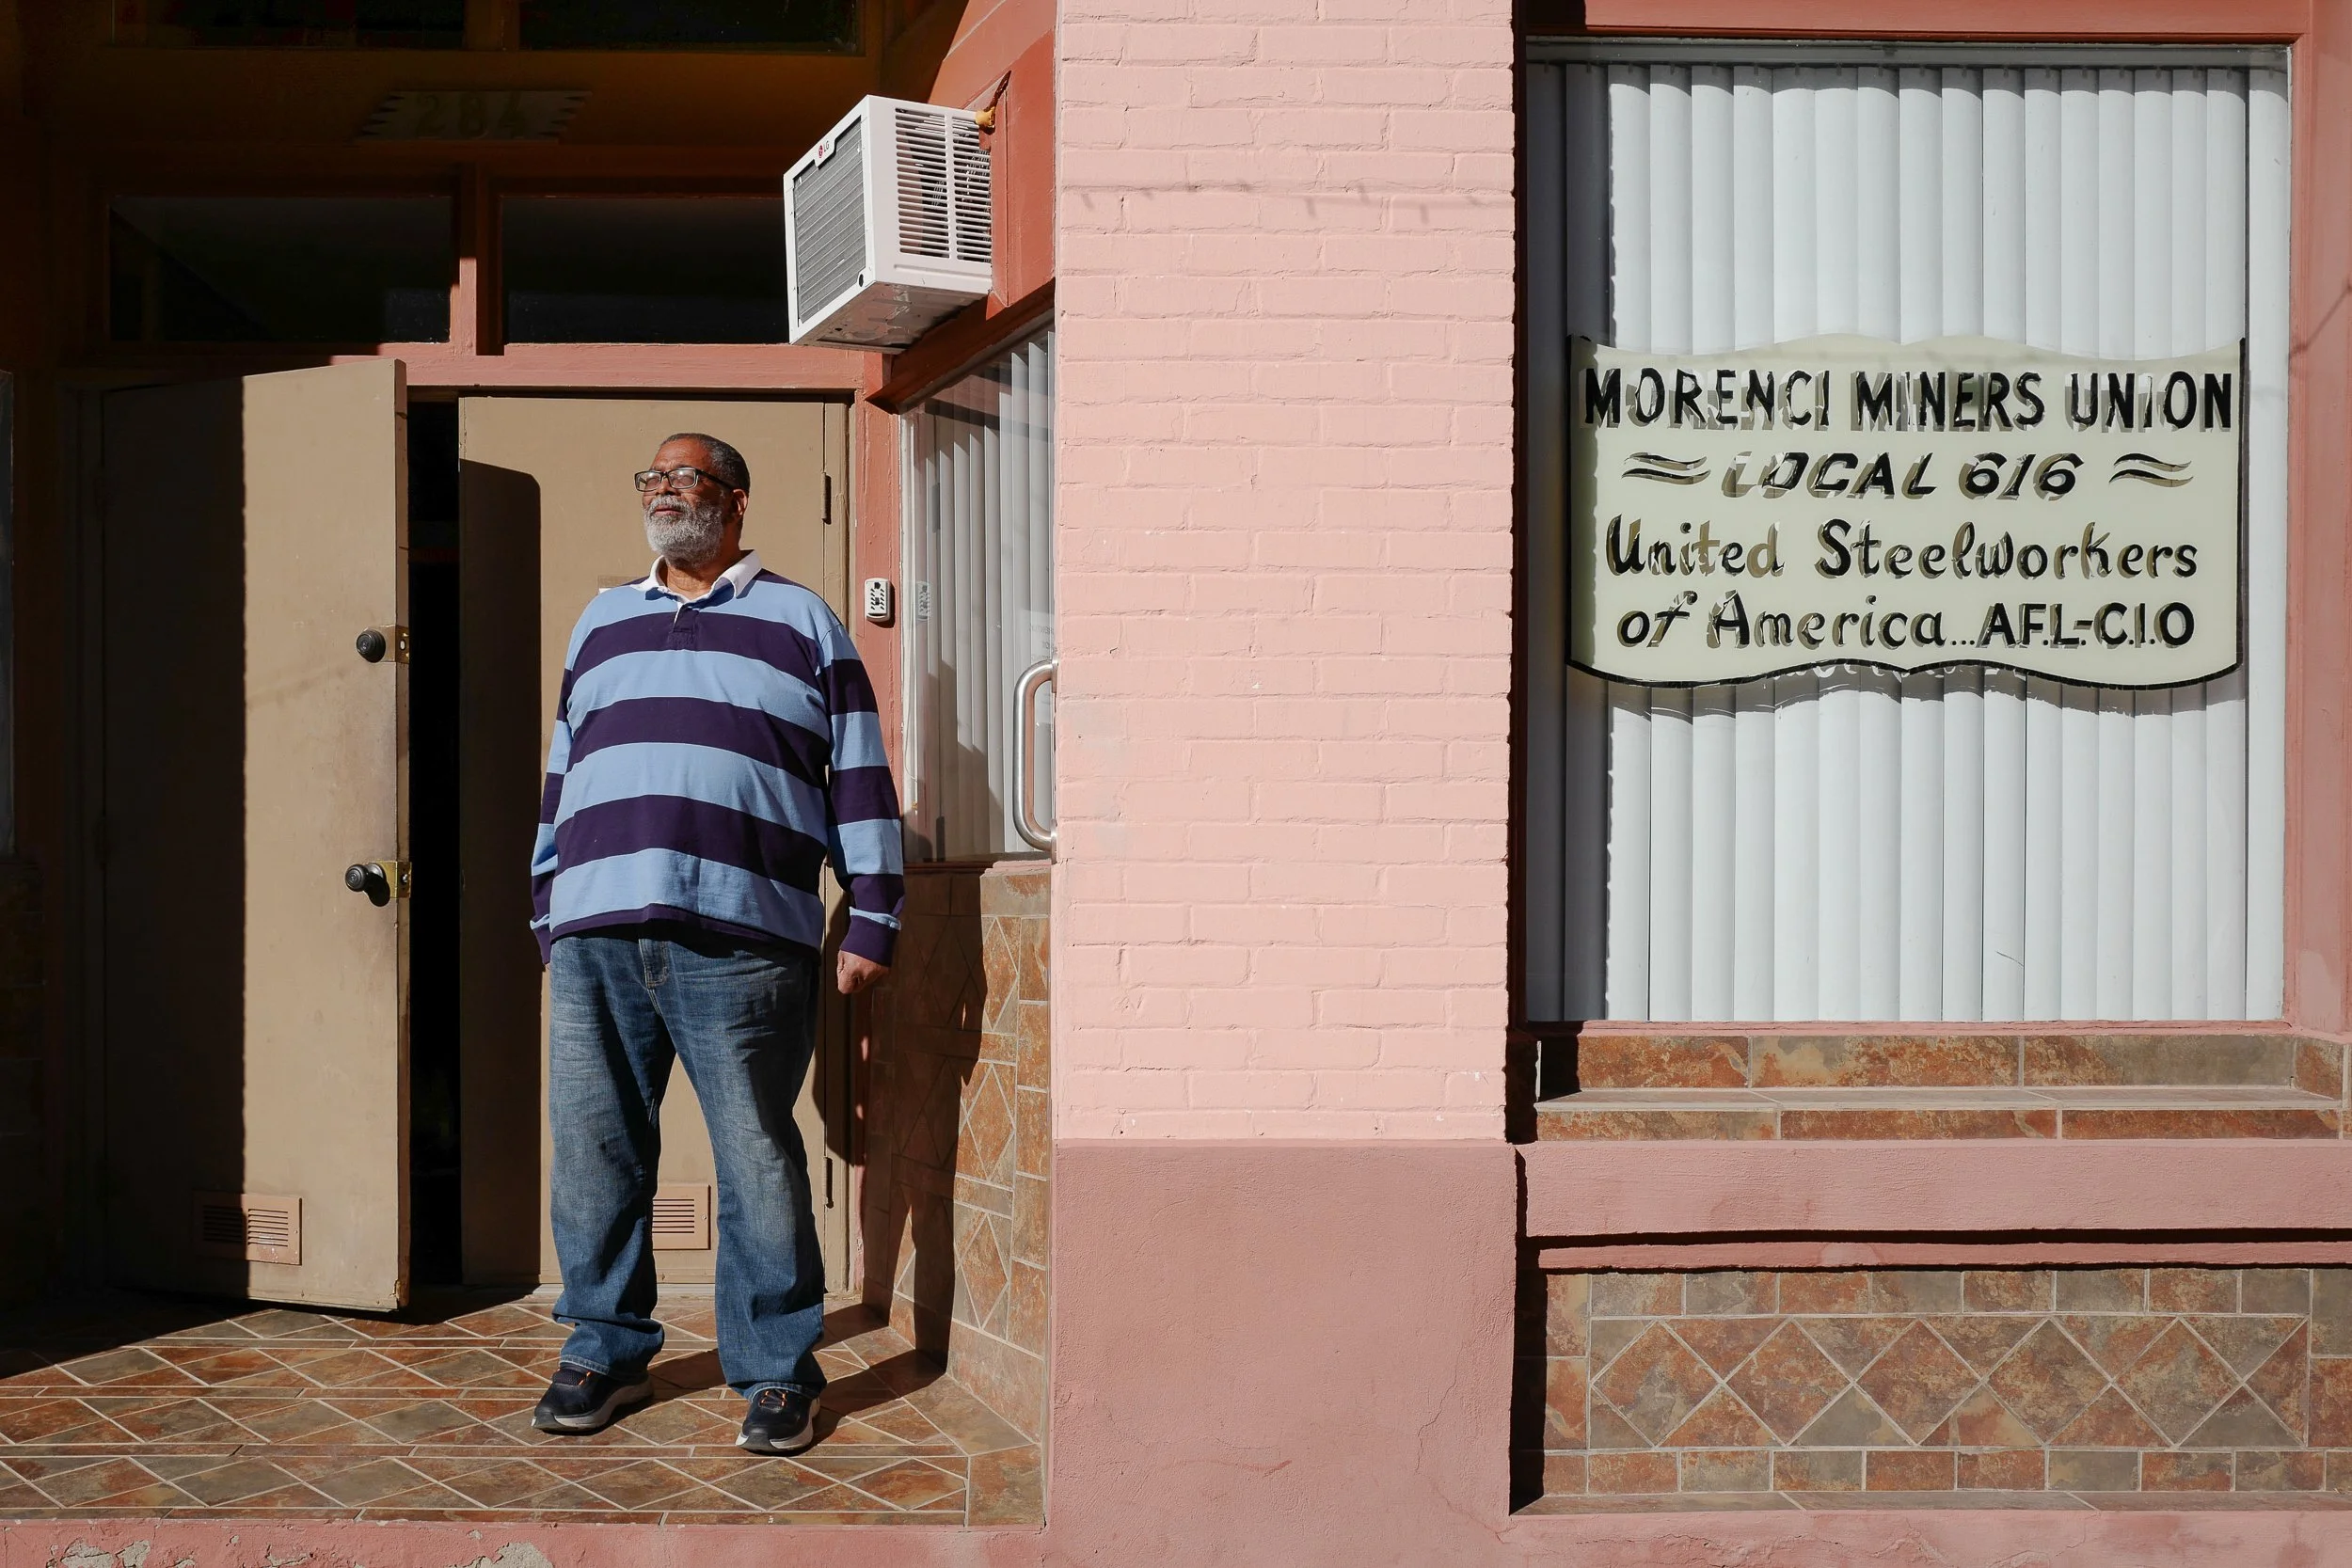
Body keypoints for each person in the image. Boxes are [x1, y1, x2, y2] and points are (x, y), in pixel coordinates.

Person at [526, 432, 902, 1456]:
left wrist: (872, 911)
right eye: (649, 476)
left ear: (734, 500)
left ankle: (778, 1370)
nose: (662, 492)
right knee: (596, 1152)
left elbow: (859, 775)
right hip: (599, 931)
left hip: (744, 940)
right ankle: (603, 1348)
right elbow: (563, 774)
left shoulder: (802, 620)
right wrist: (545, 902)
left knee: (757, 1156)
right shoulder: (601, 620)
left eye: (684, 477)